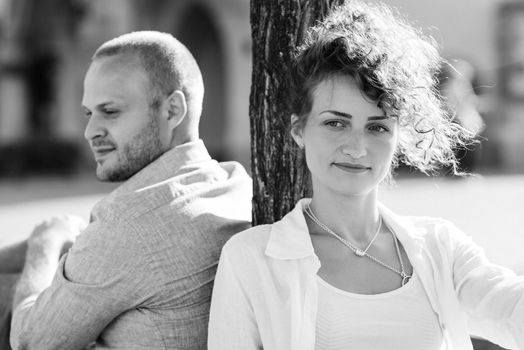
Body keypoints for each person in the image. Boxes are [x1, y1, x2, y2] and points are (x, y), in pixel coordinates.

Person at [207, 2, 524, 349]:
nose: (356, 148)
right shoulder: (251, 259)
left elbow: (510, 309)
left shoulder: (440, 247)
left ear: (398, 135)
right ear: (298, 129)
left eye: (376, 127)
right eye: (335, 123)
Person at [7, 31, 252, 349]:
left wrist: (45, 240)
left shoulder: (128, 224)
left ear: (172, 111)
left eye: (110, 111)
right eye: (88, 113)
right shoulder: (233, 183)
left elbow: (30, 342)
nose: (90, 131)